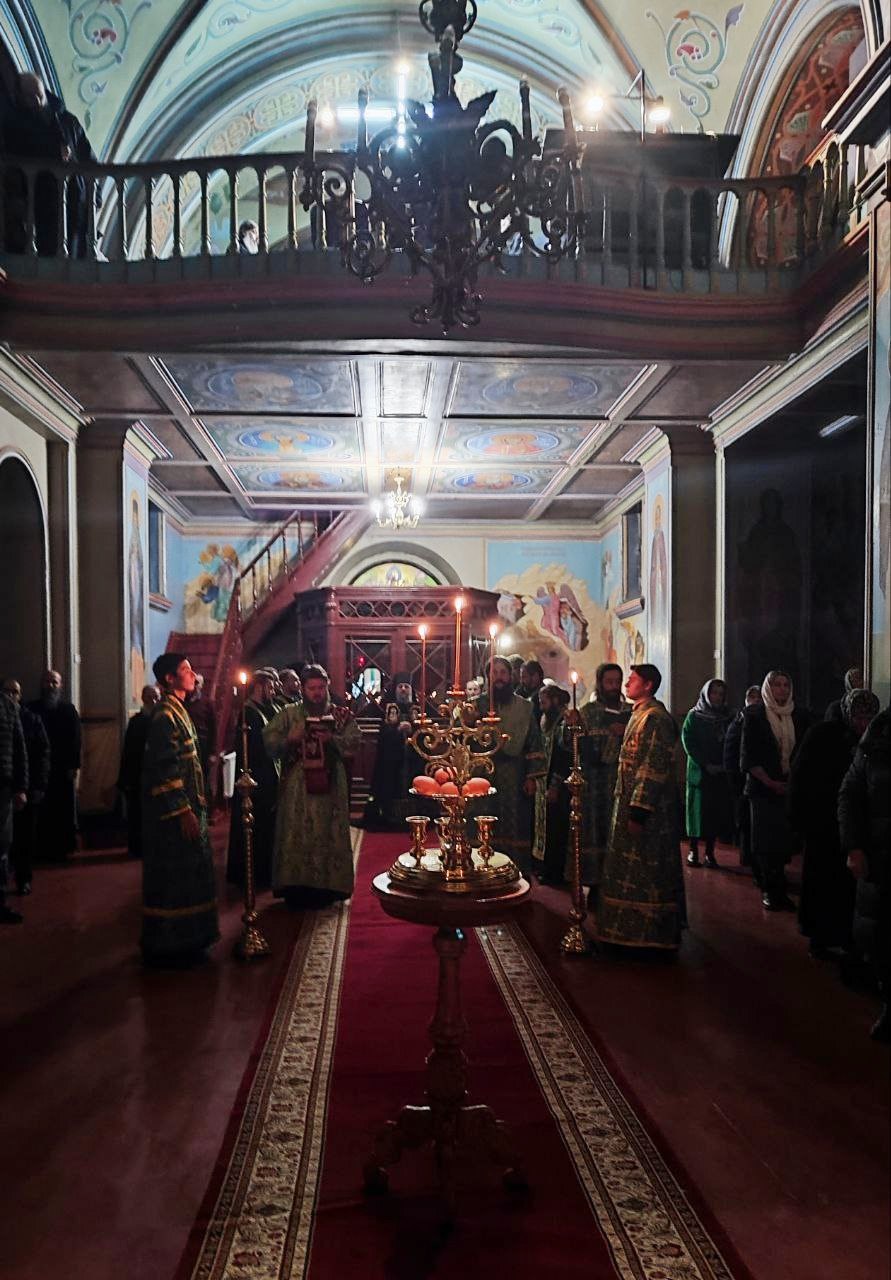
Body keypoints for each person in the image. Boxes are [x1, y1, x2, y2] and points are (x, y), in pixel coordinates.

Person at [597, 664, 684, 952]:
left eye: (632, 680)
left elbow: (652, 767)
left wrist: (639, 811)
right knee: (627, 872)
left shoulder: (655, 718)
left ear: (647, 685)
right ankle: (623, 933)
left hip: (649, 813)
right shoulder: (639, 713)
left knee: (647, 872)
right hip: (627, 802)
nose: (626, 685)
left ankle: (649, 937)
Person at [141, 654, 219, 967]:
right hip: (174, 817)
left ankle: (193, 939)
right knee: (175, 880)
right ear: (170, 678)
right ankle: (172, 943)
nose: (193, 674)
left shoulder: (179, 709)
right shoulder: (165, 715)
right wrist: (183, 811)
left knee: (192, 878)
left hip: (191, 807)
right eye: (186, 670)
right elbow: (165, 768)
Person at [790, 688, 880, 958]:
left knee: (847, 887)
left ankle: (846, 937)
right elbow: (801, 777)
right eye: (858, 717)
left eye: (868, 718)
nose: (863, 723)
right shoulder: (822, 734)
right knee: (822, 882)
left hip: (852, 824)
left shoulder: (874, 739)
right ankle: (819, 937)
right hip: (822, 822)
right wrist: (801, 820)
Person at [263, 665, 361, 906]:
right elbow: (269, 742)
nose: (317, 693)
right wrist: (290, 739)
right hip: (298, 786)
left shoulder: (340, 714)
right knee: (297, 831)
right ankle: (296, 888)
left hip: (331, 783)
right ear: (303, 689)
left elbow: (355, 742)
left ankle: (329, 888)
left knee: (328, 830)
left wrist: (333, 740)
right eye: (312, 688)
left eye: (321, 687)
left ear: (327, 686)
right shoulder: (288, 713)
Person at [1, 72, 98, 256]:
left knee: (76, 258)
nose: (37, 101)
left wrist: (96, 198)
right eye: (30, 97)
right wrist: (54, 153)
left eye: (39, 95)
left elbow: (89, 160)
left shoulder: (68, 121)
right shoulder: (16, 126)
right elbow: (20, 159)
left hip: (76, 205)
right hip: (44, 207)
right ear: (22, 98)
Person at [839, 708, 891, 1042]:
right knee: (883, 938)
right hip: (882, 858)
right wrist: (854, 846)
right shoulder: (880, 734)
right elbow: (850, 794)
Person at [740, 670, 810, 911]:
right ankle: (769, 889)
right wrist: (770, 782)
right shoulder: (755, 715)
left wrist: (792, 782)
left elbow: (802, 751)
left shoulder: (799, 715)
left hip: (789, 786)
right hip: (762, 788)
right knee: (765, 841)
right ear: (768, 689)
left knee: (783, 840)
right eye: (777, 685)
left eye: (785, 685)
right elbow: (749, 755)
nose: (782, 689)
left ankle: (780, 887)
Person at [471, 656, 545, 875]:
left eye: (503, 672)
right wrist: (470, 723)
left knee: (515, 826)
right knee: (481, 823)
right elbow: (460, 739)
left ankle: (515, 875)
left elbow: (534, 742)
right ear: (487, 677)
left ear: (511, 676)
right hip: (481, 774)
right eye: (494, 673)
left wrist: (531, 777)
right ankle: (480, 873)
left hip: (515, 775)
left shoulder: (525, 707)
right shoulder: (474, 706)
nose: (499, 677)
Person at [568, 663, 631, 892]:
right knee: (594, 831)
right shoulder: (587, 712)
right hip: (594, 785)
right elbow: (569, 745)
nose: (613, 687)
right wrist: (570, 726)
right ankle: (594, 885)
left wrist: (625, 732)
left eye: (617, 682)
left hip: (621, 783)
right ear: (600, 684)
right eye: (609, 682)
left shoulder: (631, 712)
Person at [227, 671, 280, 890]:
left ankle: (266, 871)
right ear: (259, 686)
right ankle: (252, 874)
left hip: (268, 776)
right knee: (255, 827)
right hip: (255, 778)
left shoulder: (267, 709)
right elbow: (256, 747)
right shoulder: (248, 712)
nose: (273, 691)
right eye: (270, 687)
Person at [1, 678, 49, 895]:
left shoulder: (31, 719)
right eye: (7, 691)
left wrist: (36, 785)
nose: (11, 695)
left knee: (24, 838)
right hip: (6, 787)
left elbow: (40, 753)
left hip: (24, 787)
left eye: (15, 692)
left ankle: (23, 879)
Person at [682, 679, 734, 869]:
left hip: (719, 773)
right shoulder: (694, 716)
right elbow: (688, 741)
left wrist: (724, 763)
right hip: (699, 773)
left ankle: (710, 853)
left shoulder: (727, 717)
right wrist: (705, 763)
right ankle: (693, 850)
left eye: (721, 694)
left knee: (714, 814)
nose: (717, 697)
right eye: (714, 693)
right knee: (696, 813)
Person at [28, 669, 81, 858]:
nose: (50, 686)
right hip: (38, 767)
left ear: (61, 686)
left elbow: (76, 740)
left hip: (62, 767)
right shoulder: (32, 709)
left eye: (54, 682)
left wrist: (74, 765)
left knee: (62, 808)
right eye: (47, 681)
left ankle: (62, 847)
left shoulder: (68, 710)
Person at [366, 673, 418, 830]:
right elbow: (383, 736)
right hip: (391, 759)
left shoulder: (418, 708)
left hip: (413, 759)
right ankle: (391, 816)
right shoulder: (387, 708)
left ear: (411, 690)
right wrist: (396, 731)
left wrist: (412, 729)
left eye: (406, 687)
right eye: (400, 687)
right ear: (395, 689)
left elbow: (426, 735)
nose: (403, 689)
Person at [116, 685, 160, 858]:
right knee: (136, 813)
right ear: (143, 698)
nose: (154, 701)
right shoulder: (135, 722)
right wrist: (124, 779)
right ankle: (136, 847)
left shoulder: (163, 720)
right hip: (138, 775)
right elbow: (128, 751)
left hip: (157, 775)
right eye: (150, 697)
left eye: (156, 697)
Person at [535, 683, 571, 885]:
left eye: (544, 702)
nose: (541, 707)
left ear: (555, 701)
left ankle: (556, 873)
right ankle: (545, 868)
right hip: (543, 782)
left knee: (557, 829)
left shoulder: (563, 722)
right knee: (546, 827)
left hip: (558, 784)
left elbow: (564, 757)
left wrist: (555, 786)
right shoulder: (545, 719)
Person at [723, 684, 762, 871]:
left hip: (758, 780)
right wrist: (735, 778)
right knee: (745, 820)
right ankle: (747, 857)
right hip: (741, 779)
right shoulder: (739, 721)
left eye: (758, 699)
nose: (755, 702)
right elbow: (730, 752)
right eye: (752, 698)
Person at [0, 689, 27, 924]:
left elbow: (19, 749)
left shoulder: (8, 706)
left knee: (2, 847)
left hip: (3, 787)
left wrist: (20, 787)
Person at [187, 672, 216, 796]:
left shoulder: (207, 703)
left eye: (197, 683)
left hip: (203, 745)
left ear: (201, 685)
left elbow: (213, 728)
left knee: (203, 776)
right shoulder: (184, 701)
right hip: (188, 743)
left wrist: (213, 753)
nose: (195, 685)